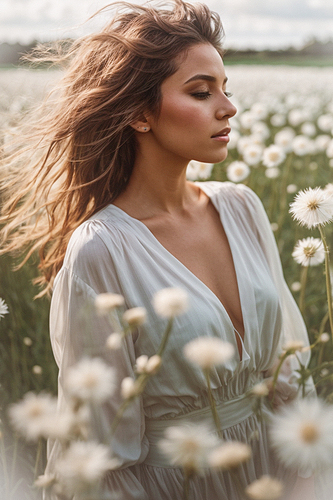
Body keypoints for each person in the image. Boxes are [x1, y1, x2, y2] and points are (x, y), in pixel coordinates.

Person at [0, 1, 316, 499]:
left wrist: (307, 476)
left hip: (282, 477)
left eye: (225, 88)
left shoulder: (243, 207)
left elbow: (290, 376)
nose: (228, 107)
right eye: (201, 91)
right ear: (140, 114)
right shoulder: (101, 251)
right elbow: (102, 453)